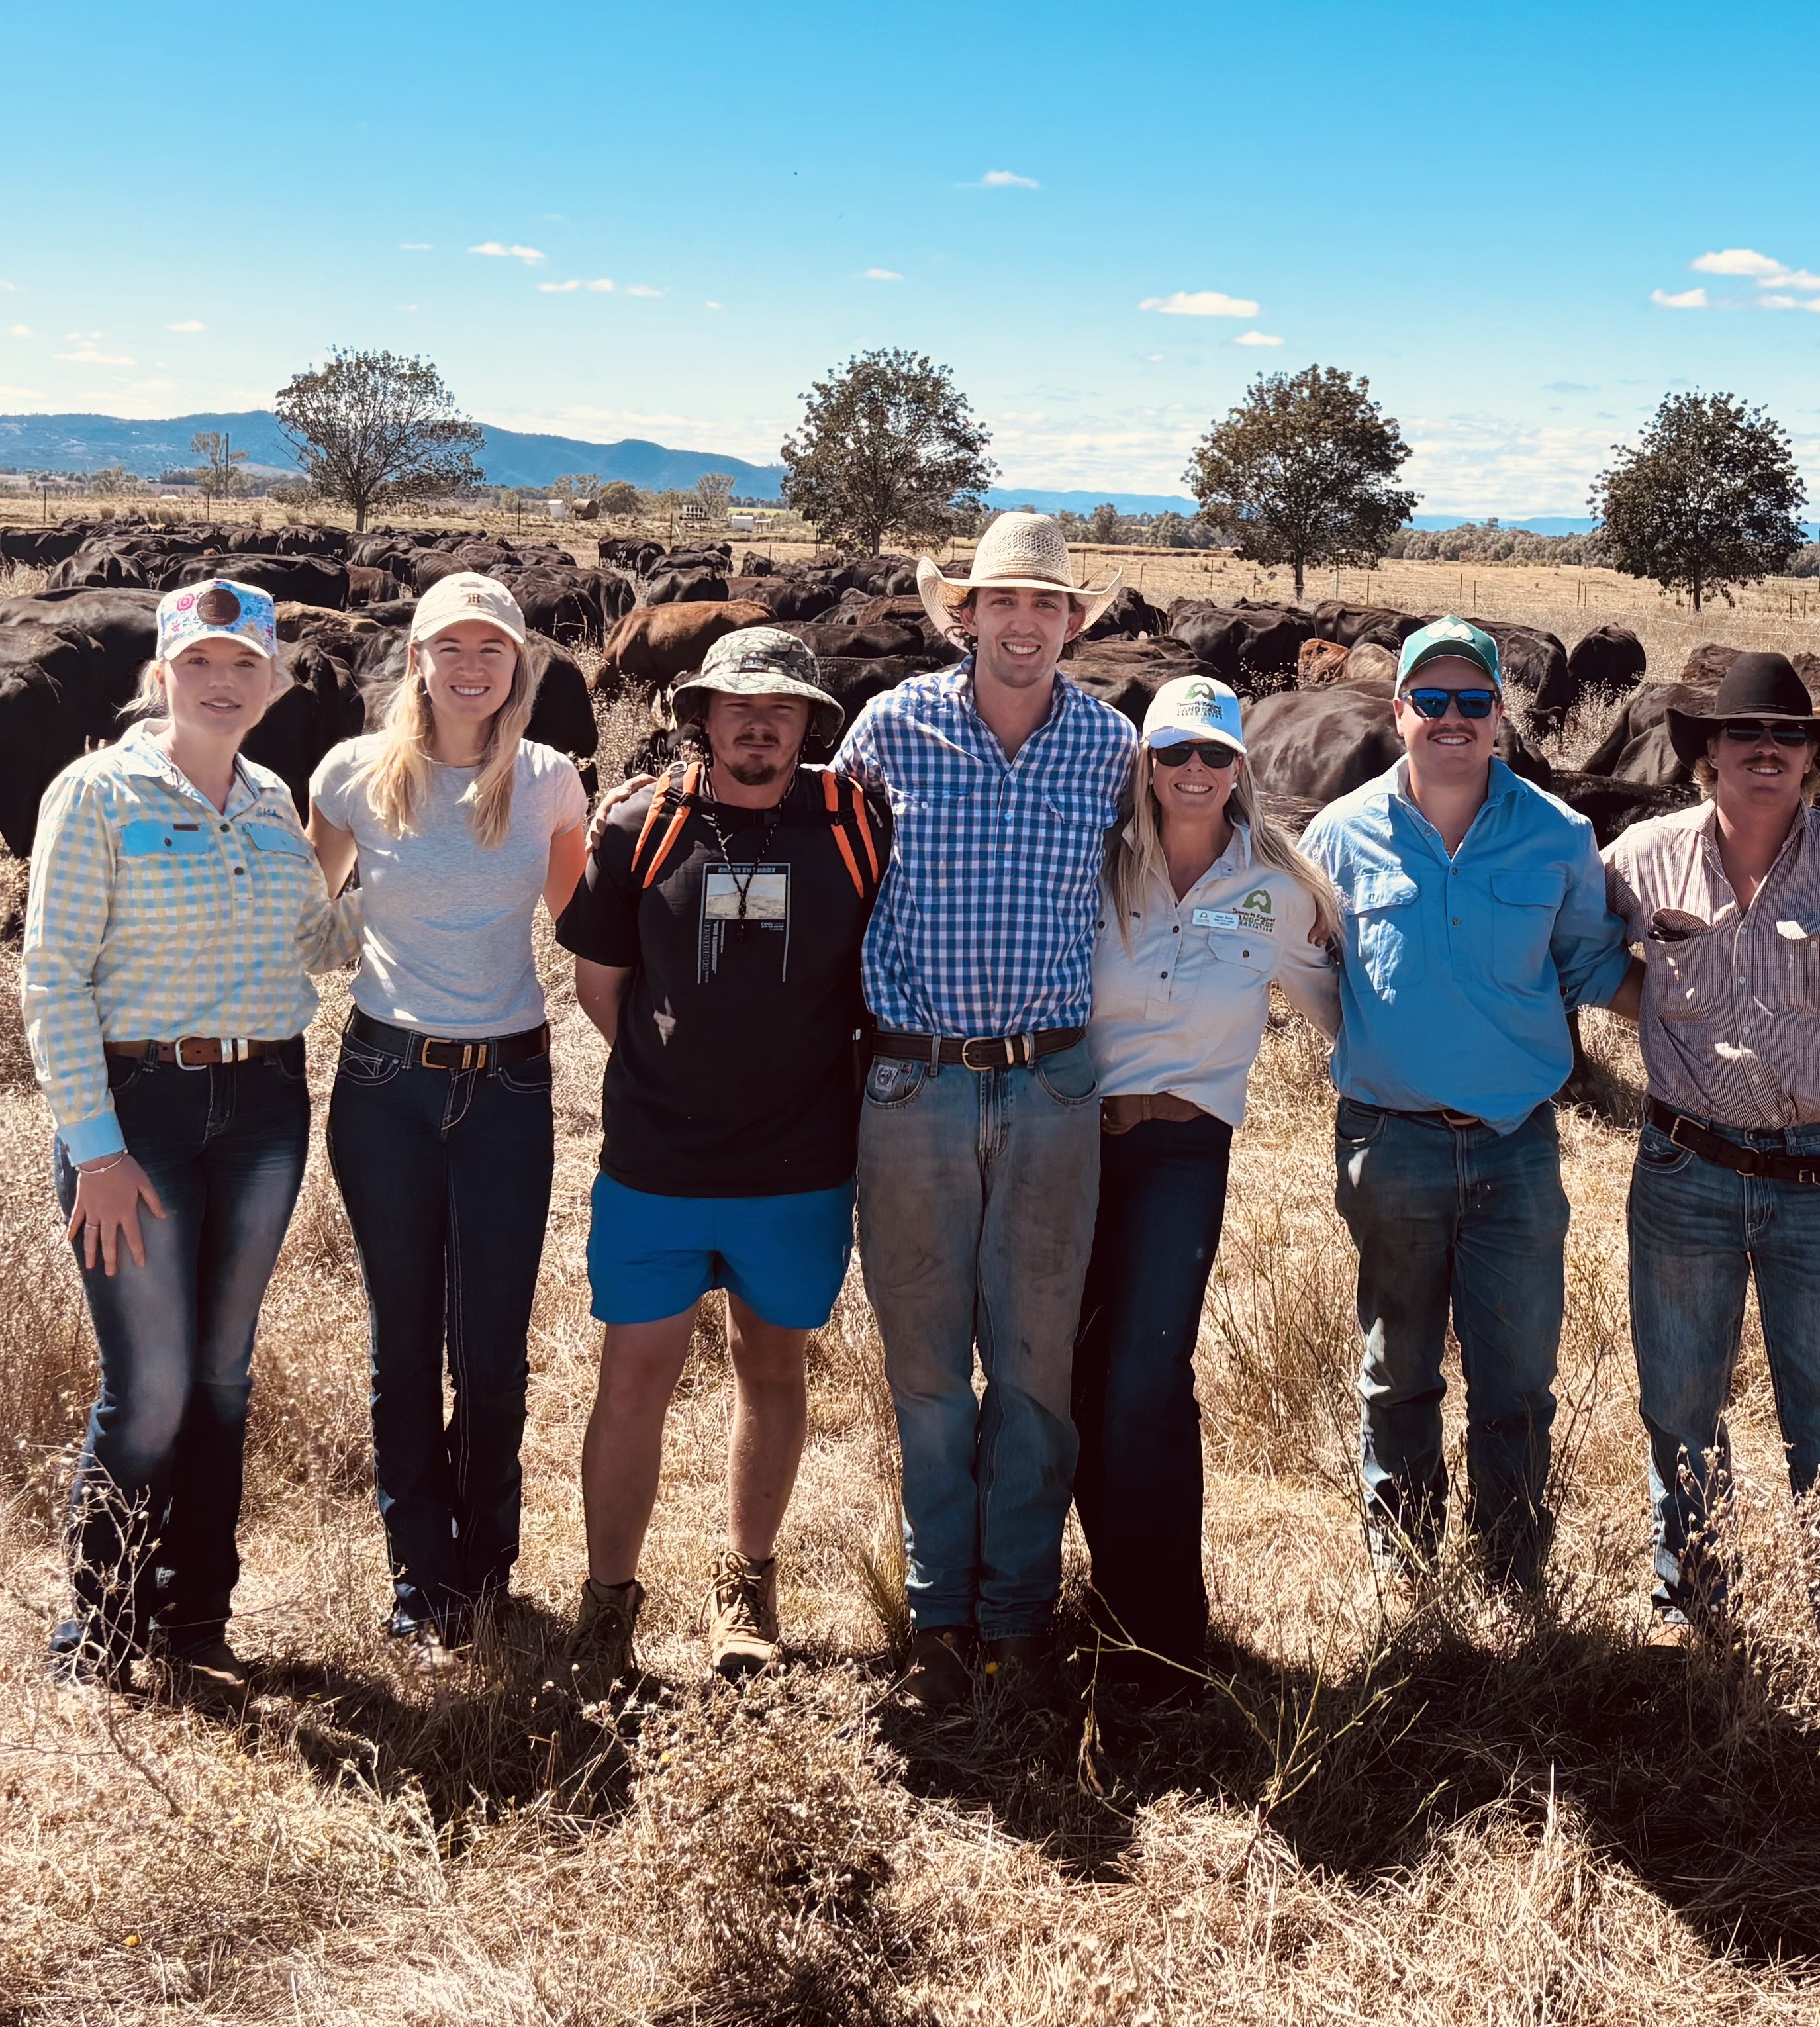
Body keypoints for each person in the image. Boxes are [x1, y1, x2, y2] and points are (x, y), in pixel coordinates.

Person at [832, 513, 1137, 1711]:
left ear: (1073, 624)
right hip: (915, 1078)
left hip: (1057, 1082)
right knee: (923, 1368)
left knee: (1035, 1368)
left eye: (1046, 607)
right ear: (965, 616)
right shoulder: (888, 729)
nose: (1022, 624)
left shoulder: (1110, 748)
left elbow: (1181, 873)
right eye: (1000, 604)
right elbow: (823, 868)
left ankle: (1016, 1609)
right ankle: (936, 1610)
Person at [1598, 652, 1820, 1642]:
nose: (1766, 749)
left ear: (1813, 760)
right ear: (1708, 754)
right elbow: (1574, 956)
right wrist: (1654, 1010)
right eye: (1745, 734)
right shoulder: (1642, 859)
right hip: (1683, 1165)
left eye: (1788, 735)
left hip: (1813, 1176)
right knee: (1679, 1402)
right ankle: (1692, 1602)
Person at [554, 626, 887, 1687]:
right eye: (737, 707)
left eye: (781, 710)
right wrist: (679, 1075)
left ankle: (745, 1584)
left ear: (810, 725)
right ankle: (609, 1597)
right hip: (657, 1161)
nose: (758, 725)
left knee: (772, 1367)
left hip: (799, 1164)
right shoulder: (642, 824)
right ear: (700, 716)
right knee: (634, 1375)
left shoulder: (853, 826)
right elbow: (600, 987)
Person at [20, 580, 338, 1687]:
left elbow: (323, 942)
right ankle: (98, 1630)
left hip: (262, 1108)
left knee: (222, 1374)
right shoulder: (97, 792)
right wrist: (95, 1153)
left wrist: (422, 847)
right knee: (148, 1386)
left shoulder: (271, 800)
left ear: (273, 683)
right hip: (137, 1113)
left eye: (242, 665)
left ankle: (197, 1613)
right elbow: (52, 978)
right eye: (198, 663)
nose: (220, 683)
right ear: (161, 676)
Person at [1302, 617, 1629, 1591]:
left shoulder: (1558, 834)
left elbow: (1592, 967)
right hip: (1388, 1144)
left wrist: (1723, 994)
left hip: (1513, 1147)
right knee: (1398, 1371)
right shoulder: (1338, 834)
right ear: (1399, 709)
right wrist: (1374, 1050)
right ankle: (1404, 1570)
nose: (1453, 719)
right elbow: (1315, 973)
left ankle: (1511, 1571)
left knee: (1518, 1380)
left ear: (1500, 714)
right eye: (1432, 701)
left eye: (1473, 702)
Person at [305, 573, 591, 1647]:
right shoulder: (353, 777)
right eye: (451, 646)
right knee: (403, 1338)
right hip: (386, 1080)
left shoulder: (549, 781)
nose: (473, 665)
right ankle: (420, 1583)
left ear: (519, 664)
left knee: (492, 1342)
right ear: (416, 657)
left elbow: (583, 919)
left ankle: (489, 1572)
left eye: (494, 648)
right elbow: (309, 918)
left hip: (511, 1081)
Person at [1074, 674, 1342, 1693]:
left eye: (1215, 756)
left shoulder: (1281, 889)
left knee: (1147, 1378)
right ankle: (1093, 1598)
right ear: (1145, 765)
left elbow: (1344, 1016)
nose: (1195, 773)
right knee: (1063, 1375)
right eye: (1174, 754)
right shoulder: (1093, 866)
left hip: (1182, 1153)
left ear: (1243, 768)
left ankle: (1165, 1633)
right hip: (1067, 1139)